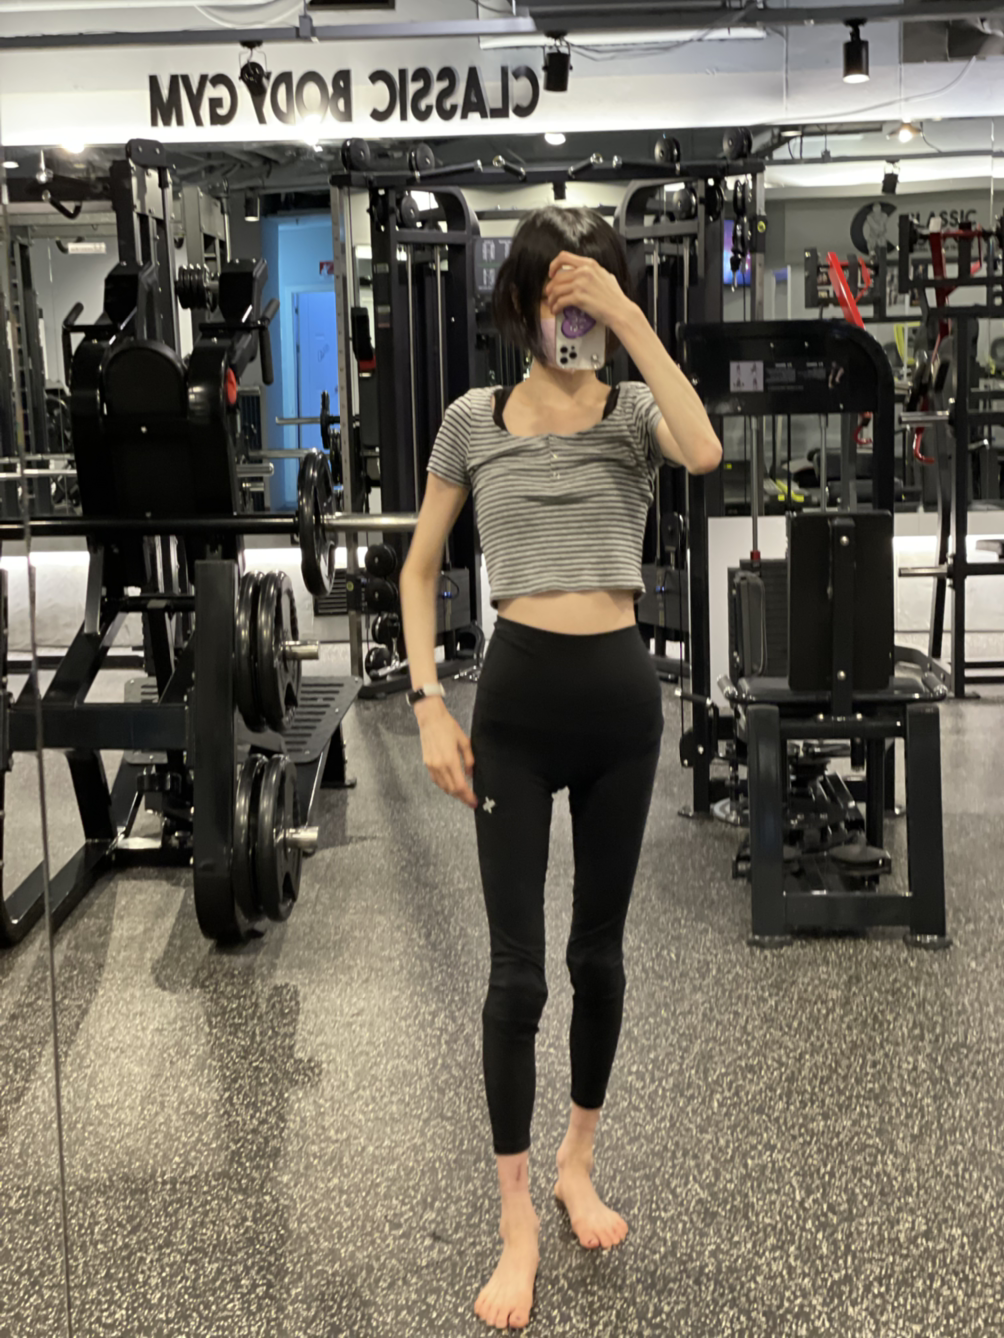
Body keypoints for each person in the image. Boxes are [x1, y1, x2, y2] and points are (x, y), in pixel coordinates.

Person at [399, 206, 723, 1332]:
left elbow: (704, 450)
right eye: (555, 299)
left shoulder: (634, 412)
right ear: (520, 307)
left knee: (599, 958)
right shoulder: (471, 420)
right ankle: (515, 1222)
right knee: (516, 977)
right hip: (518, 711)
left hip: (621, 712)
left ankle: (577, 1162)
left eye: (587, 296)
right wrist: (427, 702)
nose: (570, 319)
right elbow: (419, 570)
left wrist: (629, 316)